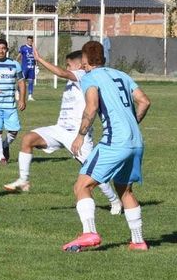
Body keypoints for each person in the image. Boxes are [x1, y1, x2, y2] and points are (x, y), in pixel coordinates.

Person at [3, 49, 122, 216]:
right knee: (28, 139)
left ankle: (114, 200)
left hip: (77, 134)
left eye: (68, 65)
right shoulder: (76, 78)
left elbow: (61, 73)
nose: (66, 68)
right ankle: (23, 180)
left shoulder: (83, 75)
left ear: (79, 65)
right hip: (60, 129)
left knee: (93, 172)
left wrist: (40, 59)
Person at [63, 40, 151, 252]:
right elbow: (144, 101)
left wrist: (80, 135)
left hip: (114, 142)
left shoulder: (90, 77)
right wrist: (132, 123)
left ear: (85, 59)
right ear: (103, 58)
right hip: (136, 142)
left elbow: (92, 106)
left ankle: (89, 233)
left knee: (82, 186)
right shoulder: (122, 75)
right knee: (124, 190)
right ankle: (138, 242)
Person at [19, 36, 37, 101]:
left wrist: (36, 66)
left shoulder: (34, 48)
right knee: (22, 81)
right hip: (24, 68)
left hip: (31, 68)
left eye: (31, 41)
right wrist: (15, 62)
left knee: (31, 81)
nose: (29, 42)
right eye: (28, 40)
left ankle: (30, 96)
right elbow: (19, 55)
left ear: (32, 41)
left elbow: (36, 57)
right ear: (27, 41)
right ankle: (18, 92)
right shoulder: (23, 47)